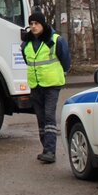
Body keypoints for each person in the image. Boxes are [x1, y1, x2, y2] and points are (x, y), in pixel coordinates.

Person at [21, 10, 71, 164]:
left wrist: (60, 73)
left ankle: (50, 151)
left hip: (51, 84)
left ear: (43, 24)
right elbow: (28, 61)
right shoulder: (26, 44)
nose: (33, 26)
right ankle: (46, 149)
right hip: (36, 85)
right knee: (41, 118)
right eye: (31, 24)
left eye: (36, 23)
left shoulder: (55, 40)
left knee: (49, 116)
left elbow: (66, 61)